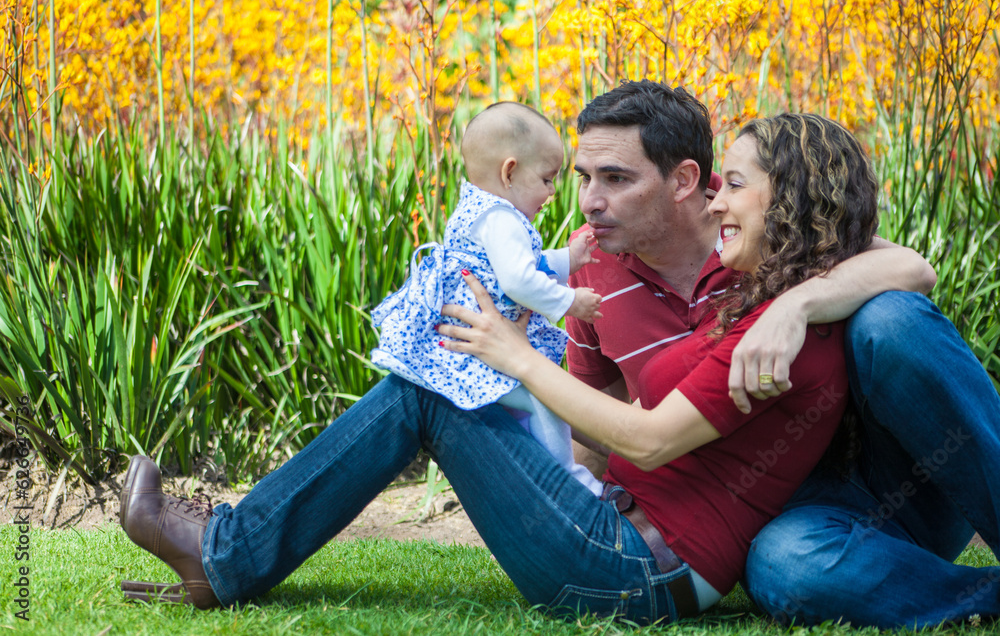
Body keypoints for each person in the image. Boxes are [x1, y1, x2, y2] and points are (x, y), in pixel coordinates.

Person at [118, 100, 886, 623]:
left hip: (637, 569)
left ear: (786, 204)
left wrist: (514, 357)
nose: (718, 201)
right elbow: (596, 429)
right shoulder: (769, 297)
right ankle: (225, 551)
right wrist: (539, 467)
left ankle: (224, 552)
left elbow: (649, 438)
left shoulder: (777, 323)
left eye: (735, 187)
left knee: (433, 387)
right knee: (441, 379)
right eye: (577, 177)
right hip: (616, 530)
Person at [559, 83, 1000, 628]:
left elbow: (913, 268)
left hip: (897, 473)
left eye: (614, 177)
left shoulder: (764, 226)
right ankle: (981, 597)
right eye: (584, 177)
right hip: (795, 512)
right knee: (784, 566)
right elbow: (597, 424)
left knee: (889, 319)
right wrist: (583, 531)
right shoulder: (588, 266)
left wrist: (794, 304)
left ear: (683, 181)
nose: (590, 200)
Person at [370, 101, 603, 496]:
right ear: (509, 172)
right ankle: (570, 482)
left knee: (523, 414)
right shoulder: (501, 219)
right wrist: (569, 301)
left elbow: (515, 266)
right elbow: (517, 279)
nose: (552, 191)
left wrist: (568, 259)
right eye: (547, 179)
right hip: (481, 352)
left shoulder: (480, 209)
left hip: (476, 346)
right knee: (547, 400)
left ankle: (539, 480)